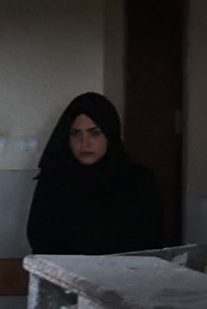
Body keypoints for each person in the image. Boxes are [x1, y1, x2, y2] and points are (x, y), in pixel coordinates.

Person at [24, 91, 168, 254]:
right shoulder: (54, 178)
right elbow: (39, 237)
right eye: (76, 133)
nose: (84, 143)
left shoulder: (139, 181)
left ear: (109, 134)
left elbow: (151, 242)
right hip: (64, 275)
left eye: (95, 133)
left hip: (123, 275)